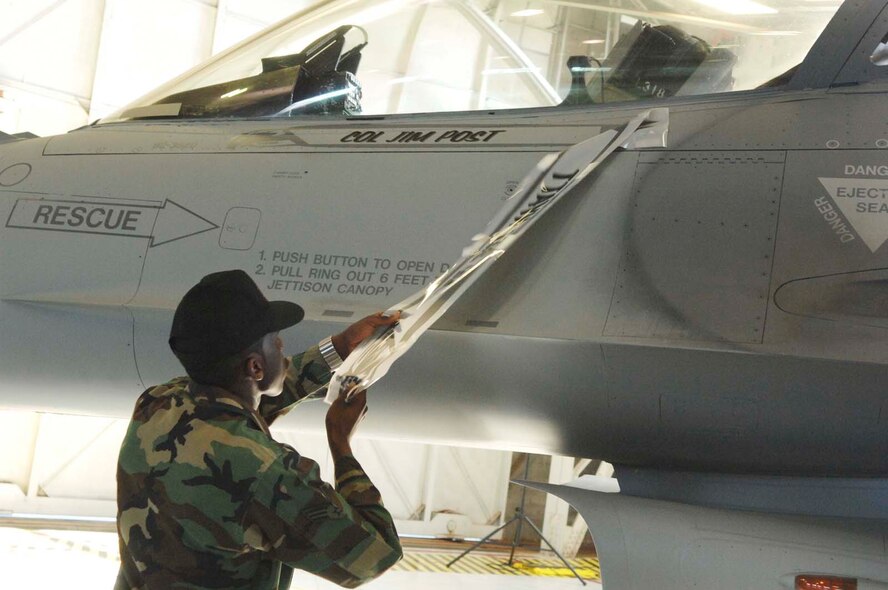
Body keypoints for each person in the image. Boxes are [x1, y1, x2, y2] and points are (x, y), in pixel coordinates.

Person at [115, 269, 402, 589]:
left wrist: (340, 347)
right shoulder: (264, 472)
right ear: (255, 366)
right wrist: (340, 442)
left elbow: (238, 409)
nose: (281, 346)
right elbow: (375, 555)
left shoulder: (157, 404)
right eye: (275, 341)